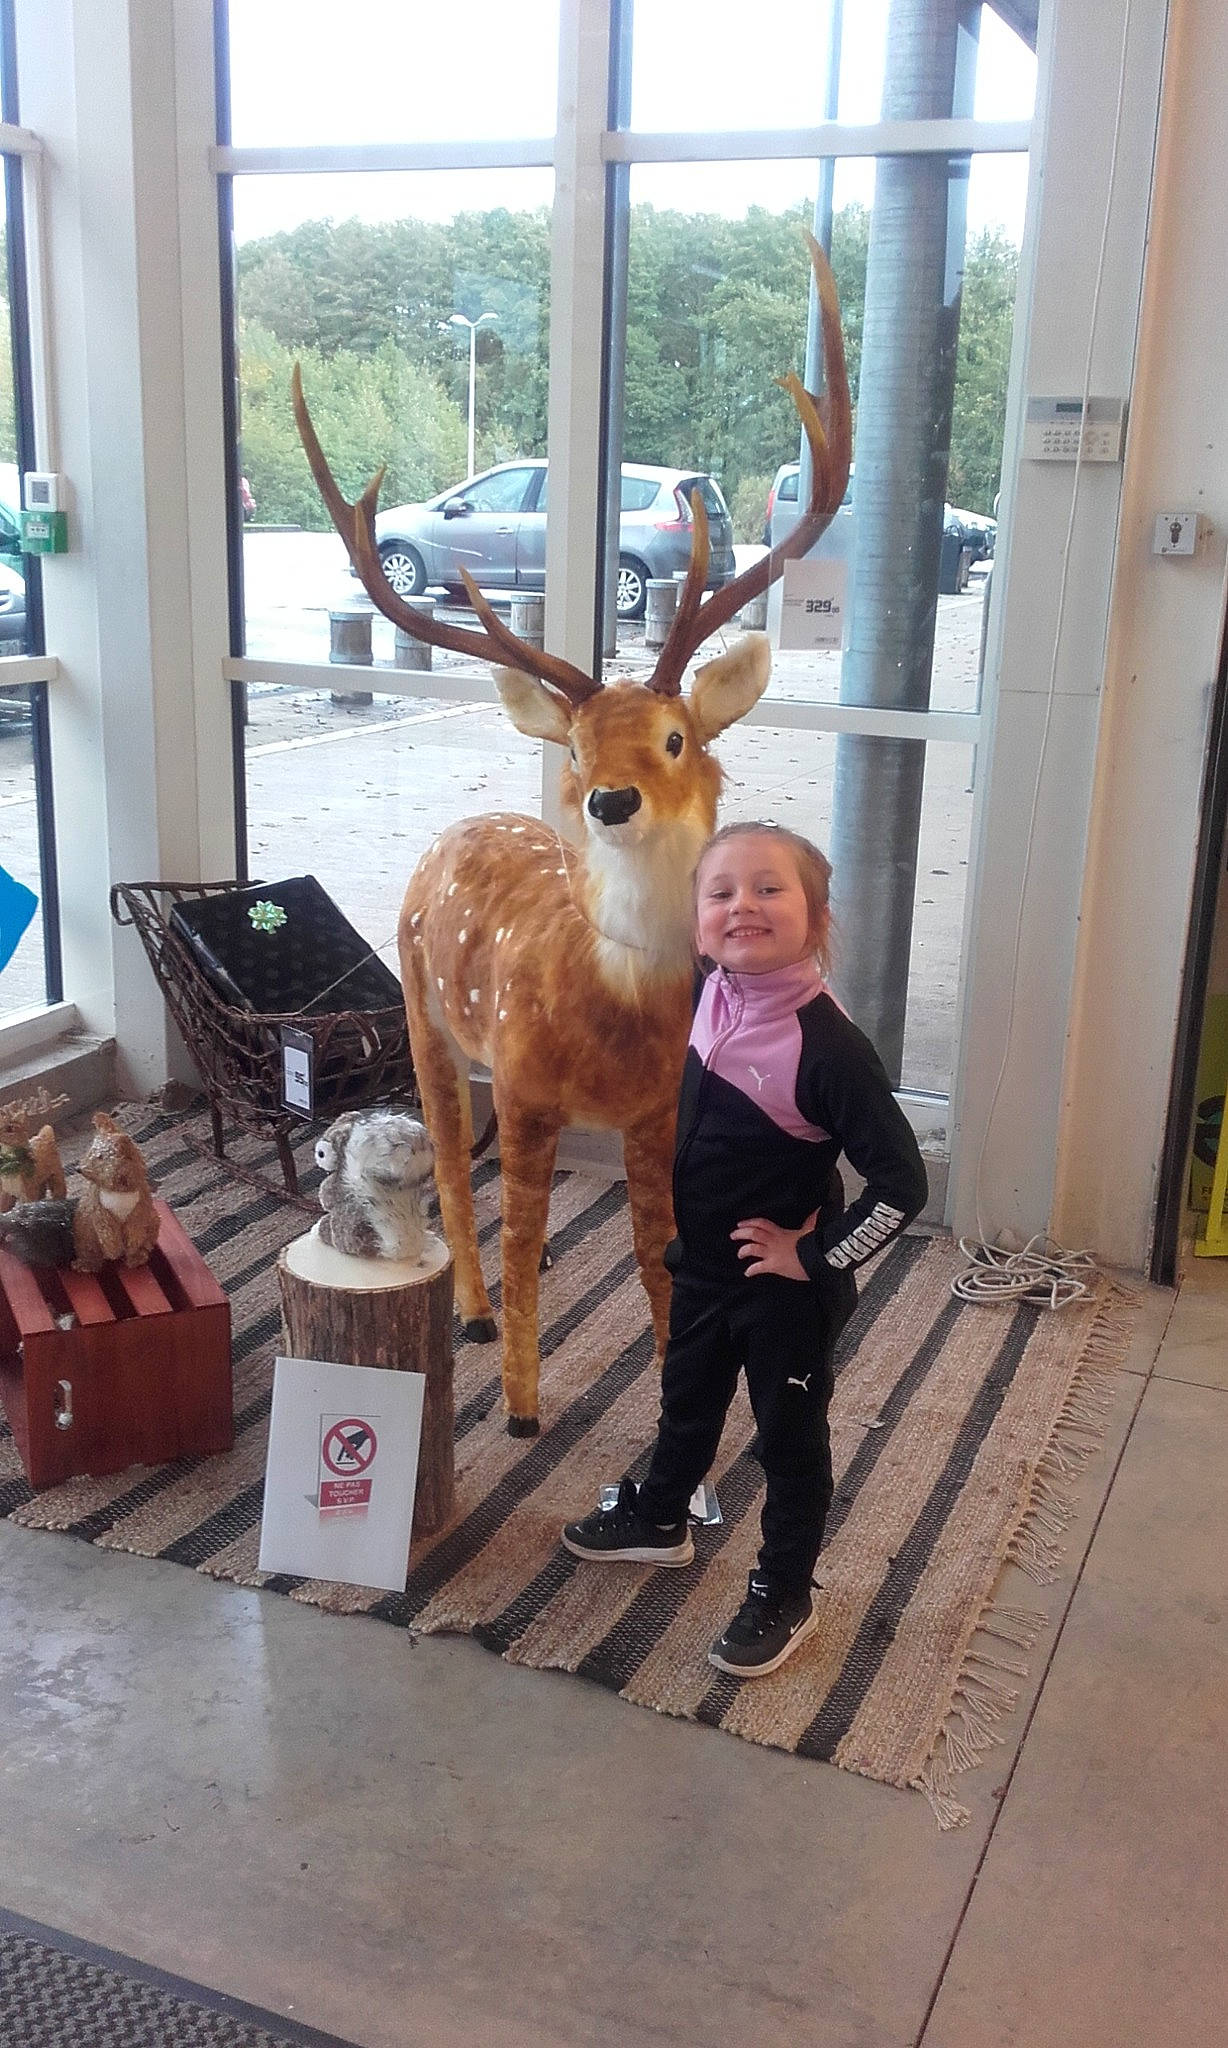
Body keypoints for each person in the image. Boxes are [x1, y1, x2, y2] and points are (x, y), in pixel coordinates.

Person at [562, 822, 928, 1678]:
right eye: (720, 893)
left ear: (818, 918)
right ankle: (660, 1518)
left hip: (782, 1293)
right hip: (703, 1265)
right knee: (686, 1402)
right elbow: (624, 921)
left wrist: (818, 1256)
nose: (743, 907)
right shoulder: (710, 986)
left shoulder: (828, 1047)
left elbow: (903, 1188)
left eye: (770, 889)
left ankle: (785, 1589)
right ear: (696, 924)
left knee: (788, 1444)